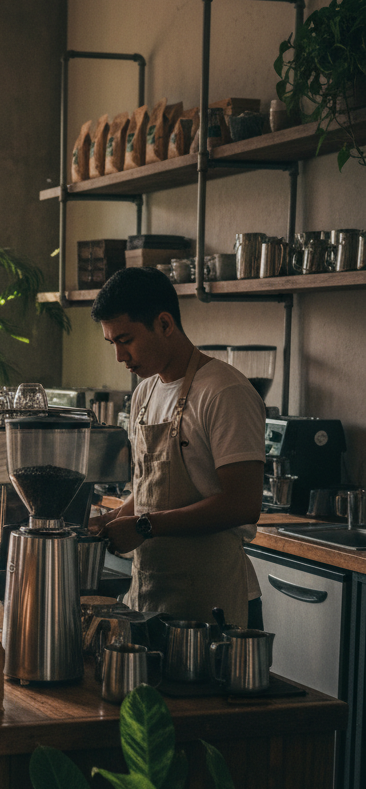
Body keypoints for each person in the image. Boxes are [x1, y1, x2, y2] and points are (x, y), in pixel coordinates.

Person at [88, 267, 266, 628]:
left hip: (215, 604)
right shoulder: (144, 393)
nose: (120, 356)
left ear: (165, 324)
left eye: (126, 340)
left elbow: (243, 504)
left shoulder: (223, 391)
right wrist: (110, 521)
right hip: (150, 595)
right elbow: (151, 493)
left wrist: (142, 527)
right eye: (112, 344)